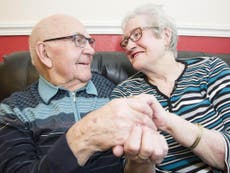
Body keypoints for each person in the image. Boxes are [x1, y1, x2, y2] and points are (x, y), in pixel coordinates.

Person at [0, 14, 168, 173]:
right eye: (79, 40)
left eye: (89, 42)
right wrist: (84, 136)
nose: (91, 51)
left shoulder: (117, 92)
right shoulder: (12, 110)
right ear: (45, 53)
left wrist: (141, 161)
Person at [111, 3, 230, 173]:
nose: (129, 46)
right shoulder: (124, 93)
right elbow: (127, 167)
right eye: (125, 41)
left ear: (165, 35)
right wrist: (141, 160)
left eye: (136, 35)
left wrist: (168, 121)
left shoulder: (210, 69)